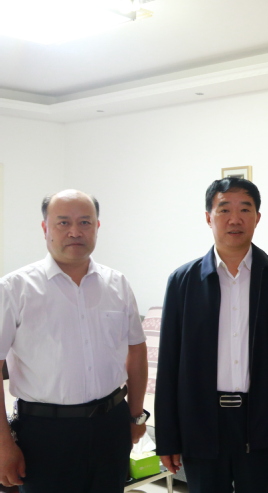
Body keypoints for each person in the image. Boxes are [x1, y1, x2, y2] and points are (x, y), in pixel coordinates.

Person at [155, 177, 268, 493]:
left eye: (245, 209)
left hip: (264, 420)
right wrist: (167, 437)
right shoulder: (183, 281)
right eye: (224, 209)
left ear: (258, 217)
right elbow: (168, 364)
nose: (235, 219)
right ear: (208, 217)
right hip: (200, 423)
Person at [0, 190, 148, 492]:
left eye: (85, 222)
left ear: (97, 226)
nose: (75, 232)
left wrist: (136, 415)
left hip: (111, 425)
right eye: (63, 222)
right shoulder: (14, 289)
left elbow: (136, 350)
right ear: (45, 227)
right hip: (44, 433)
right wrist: (3, 444)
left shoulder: (117, 283)